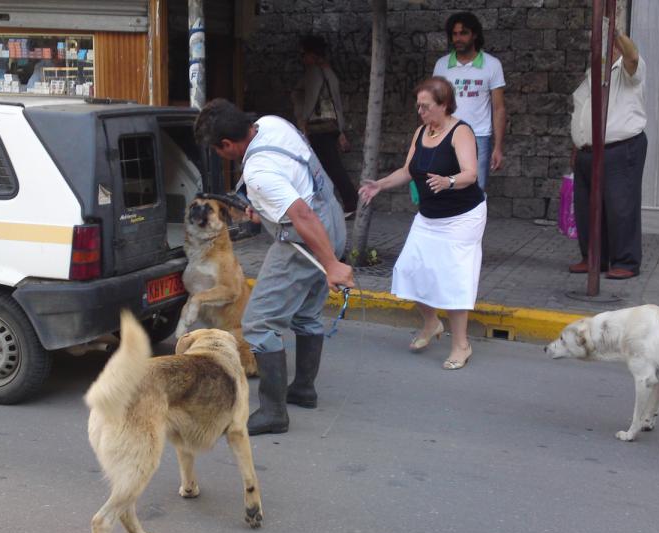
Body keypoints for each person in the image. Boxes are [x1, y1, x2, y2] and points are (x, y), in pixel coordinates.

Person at [195, 98, 355, 435]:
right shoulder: (272, 121)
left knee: (257, 322)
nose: (219, 156)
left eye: (217, 150)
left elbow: (301, 215)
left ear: (226, 144)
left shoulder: (257, 172)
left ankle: (273, 412)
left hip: (307, 238)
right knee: (307, 313)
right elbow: (296, 178)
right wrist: (263, 205)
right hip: (334, 217)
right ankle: (303, 389)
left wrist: (332, 264)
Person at [358, 77, 486, 371]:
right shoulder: (421, 132)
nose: (420, 111)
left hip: (462, 217)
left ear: (443, 105)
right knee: (408, 270)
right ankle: (431, 323)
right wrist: (381, 185)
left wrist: (449, 181)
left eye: (426, 106)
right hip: (429, 216)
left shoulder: (460, 132)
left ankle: (461, 345)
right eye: (418, 106)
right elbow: (407, 170)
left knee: (454, 279)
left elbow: (471, 174)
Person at [568, 30, 647, 280]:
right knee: (587, 208)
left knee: (620, 206)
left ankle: (626, 260)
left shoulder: (626, 70)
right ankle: (593, 258)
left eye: (604, 44)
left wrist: (616, 34)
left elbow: (632, 57)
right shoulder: (592, 74)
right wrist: (578, 145)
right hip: (588, 151)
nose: (598, 49)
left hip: (619, 148)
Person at [432, 11, 506, 192]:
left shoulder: (492, 64)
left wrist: (497, 147)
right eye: (454, 34)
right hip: (446, 136)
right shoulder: (441, 65)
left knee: (476, 190)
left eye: (463, 33)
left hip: (479, 137)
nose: (458, 38)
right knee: (444, 187)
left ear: (475, 35)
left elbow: (499, 109)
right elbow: (434, 105)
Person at [292, 35, 357, 219]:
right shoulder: (328, 71)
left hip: (318, 126)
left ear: (311, 54)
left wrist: (303, 120)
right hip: (331, 126)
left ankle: (350, 202)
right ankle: (346, 201)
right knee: (331, 165)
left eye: (304, 54)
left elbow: (311, 98)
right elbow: (336, 103)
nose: (302, 58)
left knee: (327, 166)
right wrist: (341, 129)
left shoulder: (314, 71)